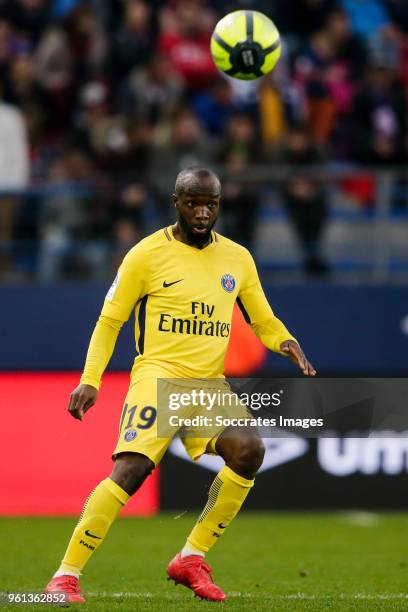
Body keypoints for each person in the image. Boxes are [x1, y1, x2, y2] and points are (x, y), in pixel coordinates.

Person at [44, 167, 316, 603]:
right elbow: (109, 320)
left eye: (211, 203)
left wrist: (286, 341)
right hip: (158, 377)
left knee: (250, 451)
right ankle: (65, 574)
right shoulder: (146, 254)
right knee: (131, 471)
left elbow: (261, 318)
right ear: (176, 202)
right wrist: (89, 380)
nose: (203, 212)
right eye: (194, 202)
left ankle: (191, 557)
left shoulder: (237, 258)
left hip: (209, 385)